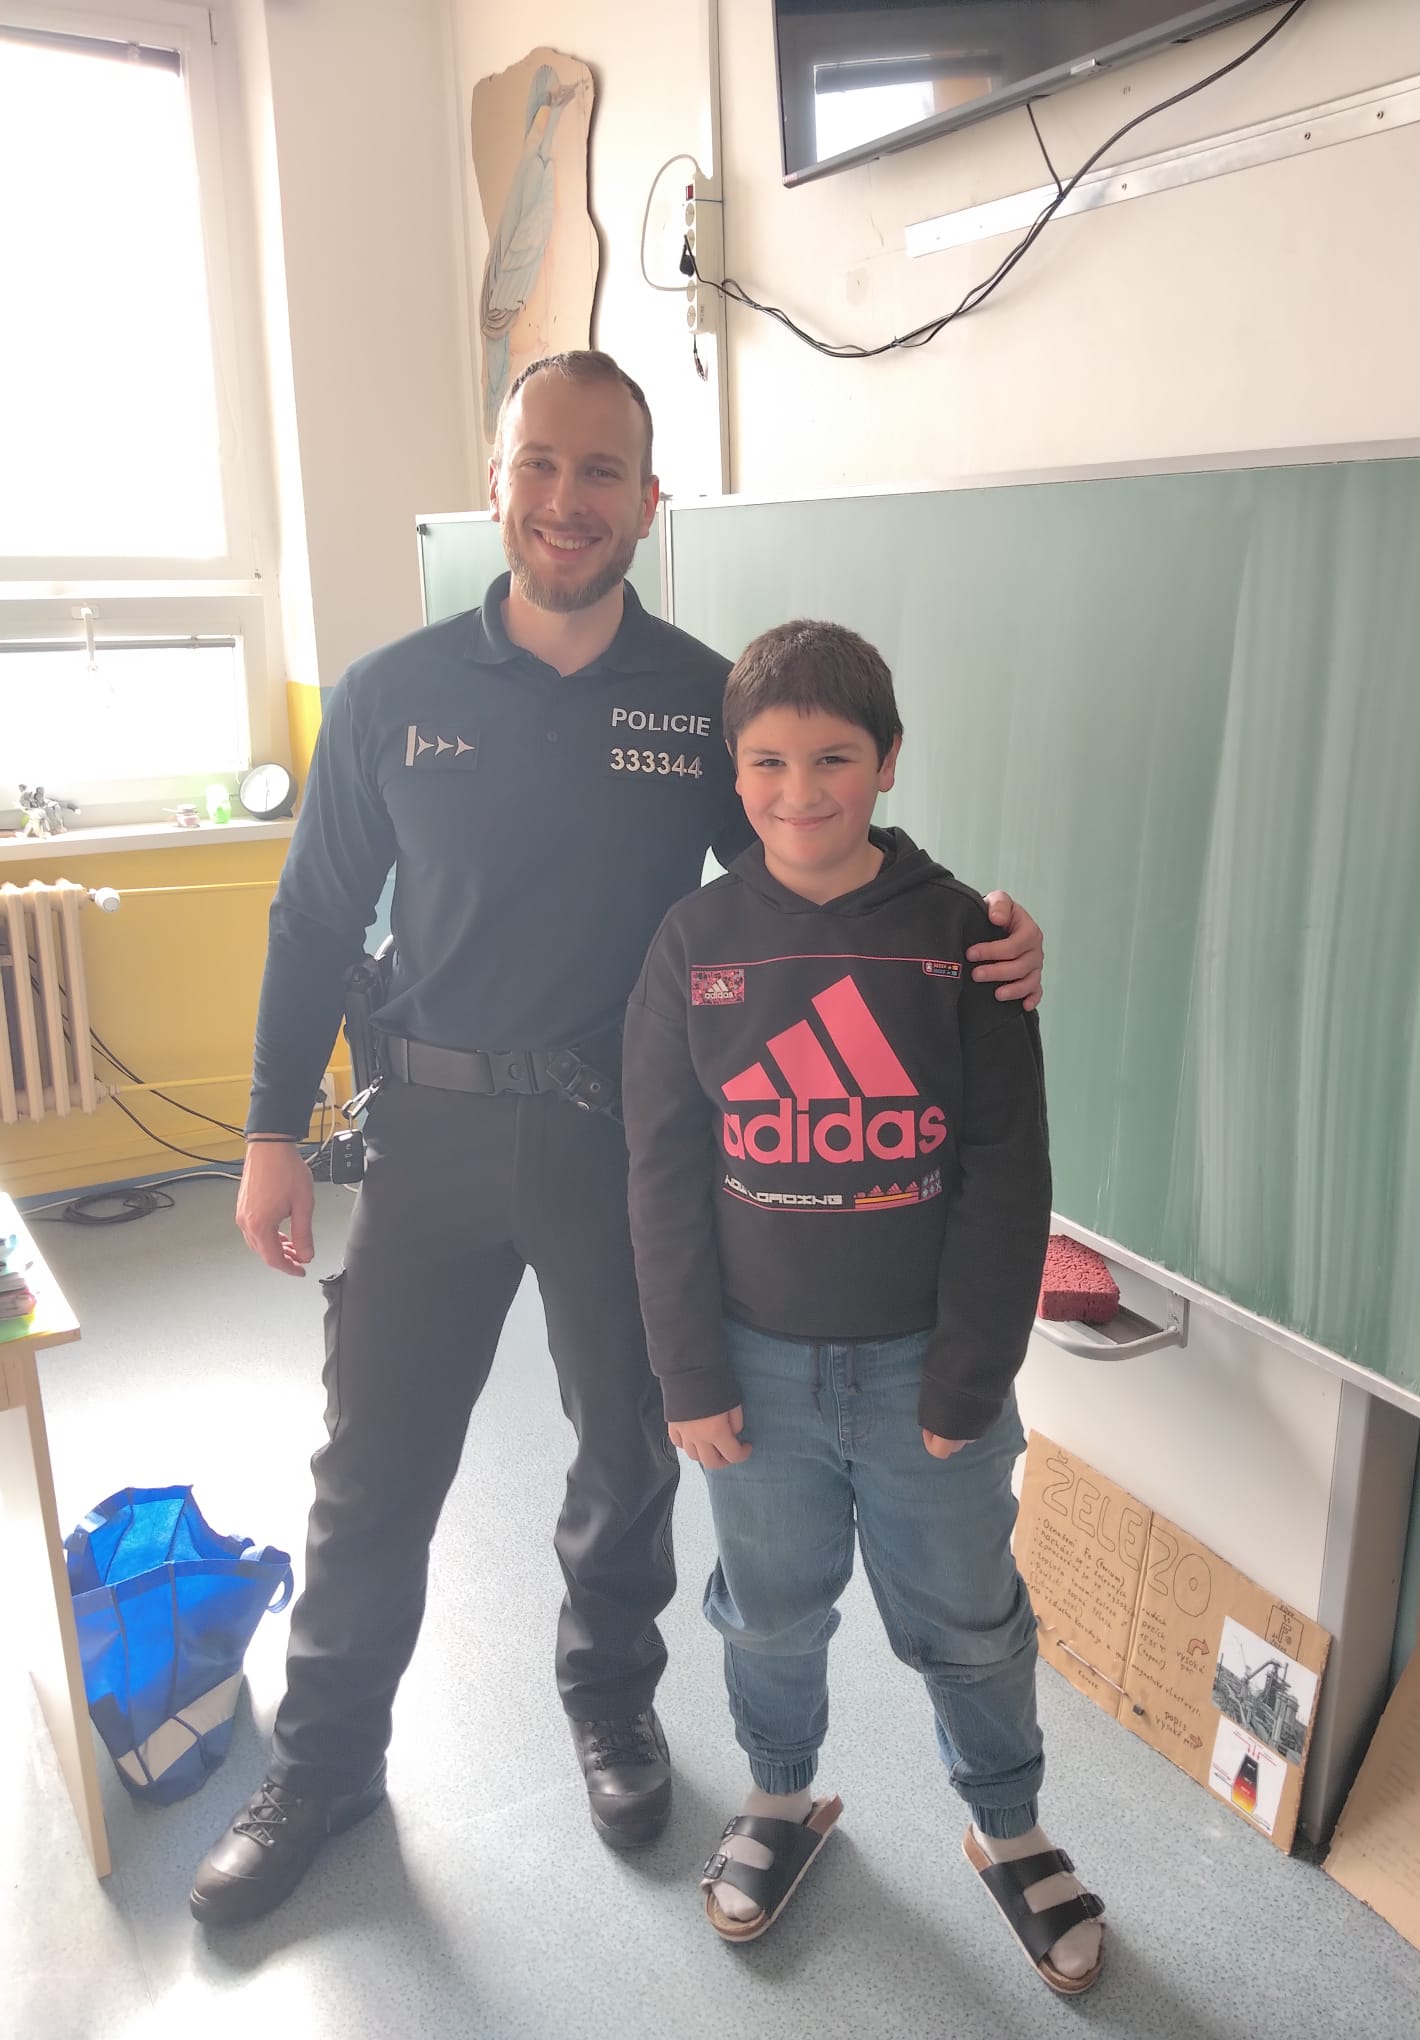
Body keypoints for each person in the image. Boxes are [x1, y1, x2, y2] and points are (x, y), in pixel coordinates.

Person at [189, 352, 1046, 1927]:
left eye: (601, 472)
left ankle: (610, 1707)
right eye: (539, 464)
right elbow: (311, 921)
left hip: (620, 1148)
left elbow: (809, 861)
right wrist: (267, 1132)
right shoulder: (391, 694)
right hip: (430, 1135)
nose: (566, 499)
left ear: (648, 501)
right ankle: (322, 1764)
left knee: (630, 1455)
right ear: (497, 481)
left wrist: (971, 931)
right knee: (373, 1469)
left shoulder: (699, 702)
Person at [622, 620, 1104, 1993]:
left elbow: (1008, 1169)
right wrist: (687, 1373)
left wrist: (970, 1373)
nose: (800, 791)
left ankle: (1008, 1826)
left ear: (887, 762)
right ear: (733, 774)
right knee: (766, 1610)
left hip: (923, 1372)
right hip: (754, 1371)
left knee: (969, 1617)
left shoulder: (966, 943)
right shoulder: (694, 943)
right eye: (768, 763)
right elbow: (660, 1170)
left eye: (834, 758)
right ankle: (779, 1799)